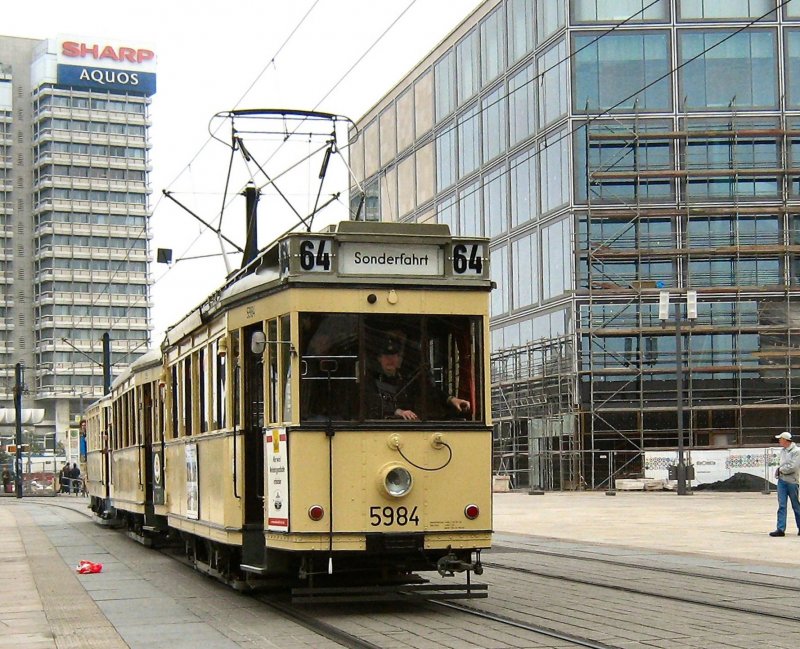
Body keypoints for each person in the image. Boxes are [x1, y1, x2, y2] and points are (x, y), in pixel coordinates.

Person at [367, 335, 470, 421]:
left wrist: (451, 399)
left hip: (411, 426)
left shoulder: (407, 378)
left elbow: (429, 390)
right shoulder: (370, 380)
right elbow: (371, 402)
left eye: (393, 356)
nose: (390, 360)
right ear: (379, 359)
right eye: (386, 356)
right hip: (382, 427)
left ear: (399, 359)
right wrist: (398, 412)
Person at [769, 431, 800, 537]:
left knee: (796, 505)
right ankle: (780, 529)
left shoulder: (796, 451)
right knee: (782, 505)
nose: (779, 440)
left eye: (780, 439)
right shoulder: (783, 451)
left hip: (792, 481)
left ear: (786, 440)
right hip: (782, 481)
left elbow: (793, 467)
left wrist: (780, 470)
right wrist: (780, 471)